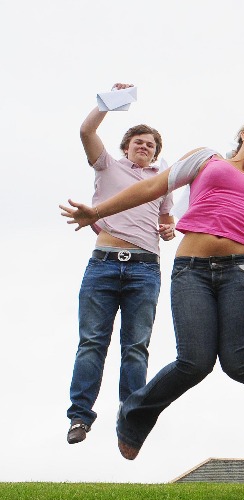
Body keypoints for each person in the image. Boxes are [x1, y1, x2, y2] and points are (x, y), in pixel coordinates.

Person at [61, 113, 244, 460]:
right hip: (191, 272)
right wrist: (97, 212)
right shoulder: (206, 158)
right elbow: (152, 187)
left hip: (242, 273)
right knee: (193, 362)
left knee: (240, 363)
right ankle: (134, 416)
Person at [67, 82, 176, 445]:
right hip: (104, 264)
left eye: (151, 144)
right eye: (138, 142)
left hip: (144, 269)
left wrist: (168, 229)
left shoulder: (162, 183)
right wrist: (109, 103)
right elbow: (86, 131)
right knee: (91, 342)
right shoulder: (107, 167)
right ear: (126, 147)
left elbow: (166, 220)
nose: (145, 147)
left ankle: (130, 418)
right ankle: (80, 416)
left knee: (136, 347)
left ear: (156, 153)